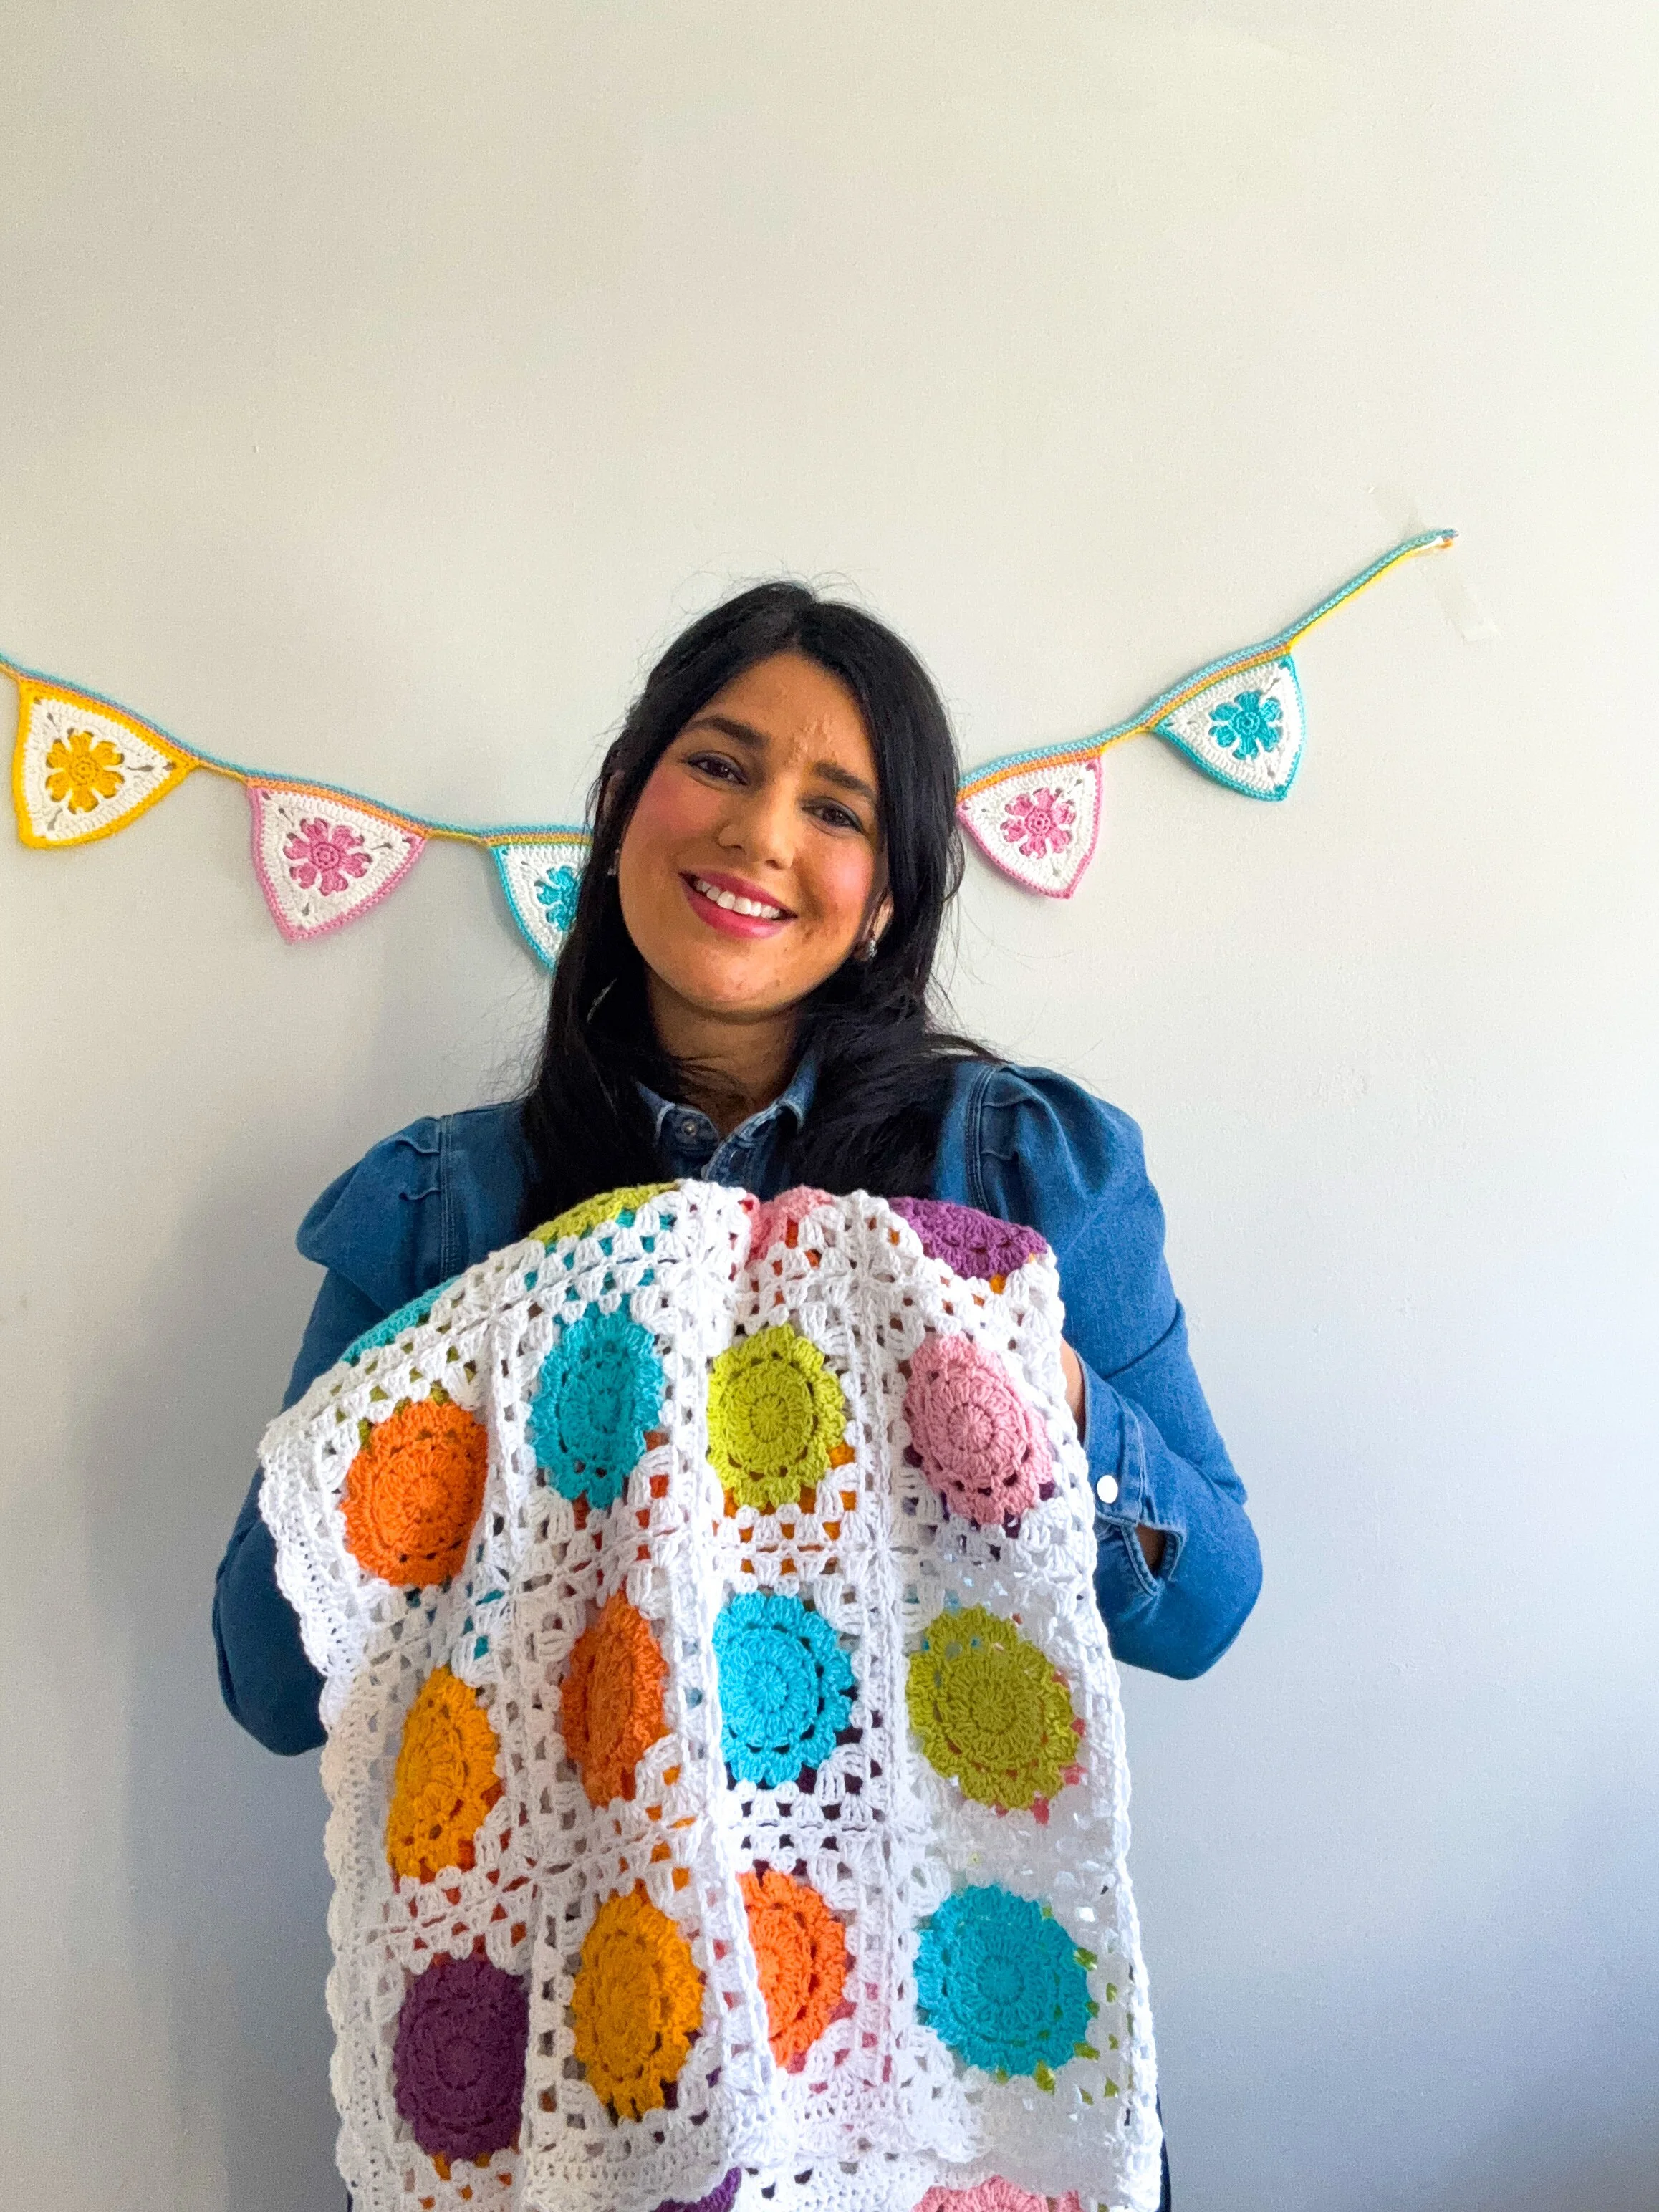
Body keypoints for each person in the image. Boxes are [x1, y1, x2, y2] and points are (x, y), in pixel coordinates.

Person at [214, 582, 1263, 2211]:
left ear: (888, 892)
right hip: (597, 2088)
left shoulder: (1021, 1167)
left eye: (834, 808)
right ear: (630, 791)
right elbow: (274, 1685)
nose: (762, 831)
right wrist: (434, 1406)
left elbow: (1208, 1603)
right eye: (718, 762)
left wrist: (1042, 1396)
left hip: (939, 2085)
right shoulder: (447, 1209)